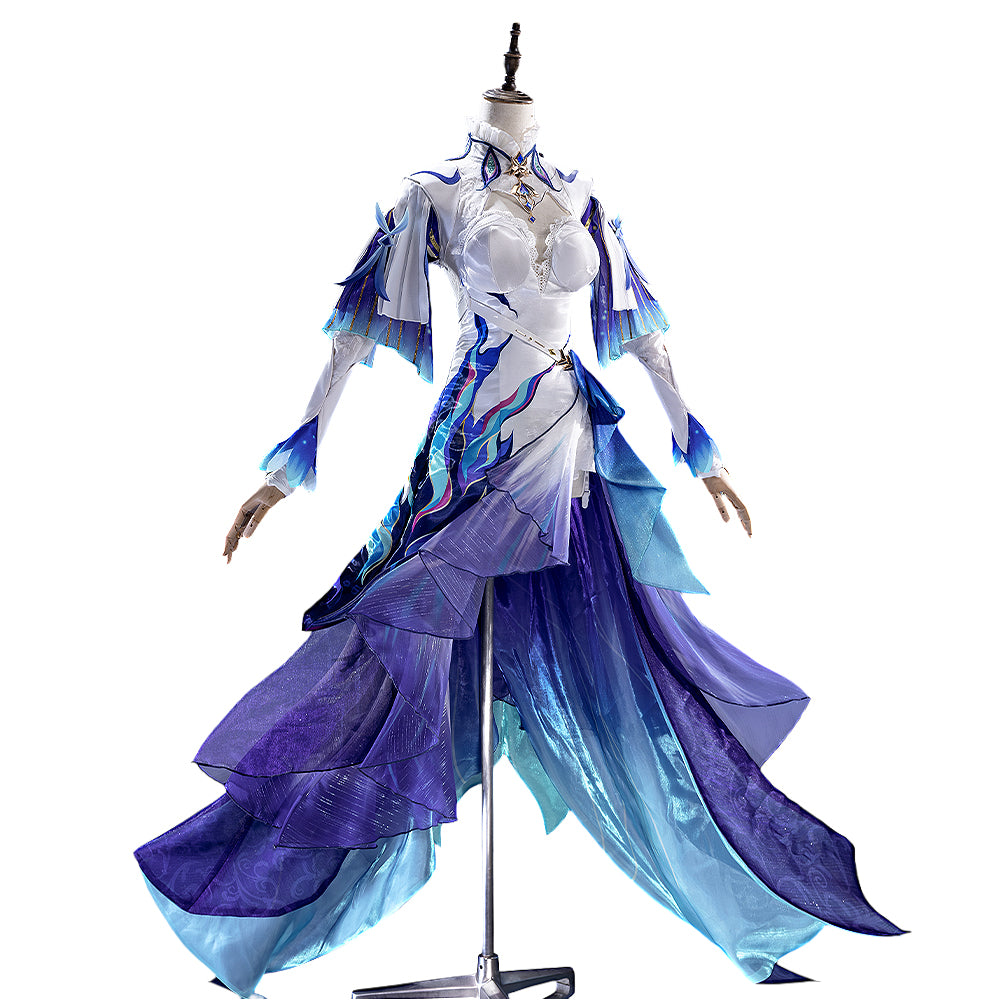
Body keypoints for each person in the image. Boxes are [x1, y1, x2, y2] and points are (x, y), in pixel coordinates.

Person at [135, 71, 902, 999]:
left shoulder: (581, 193)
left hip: (572, 445)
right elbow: (351, 339)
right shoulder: (433, 195)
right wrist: (287, 468)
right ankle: (248, 903)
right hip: (476, 446)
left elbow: (645, 336)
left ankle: (735, 896)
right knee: (389, 670)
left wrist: (704, 454)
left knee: (630, 667)